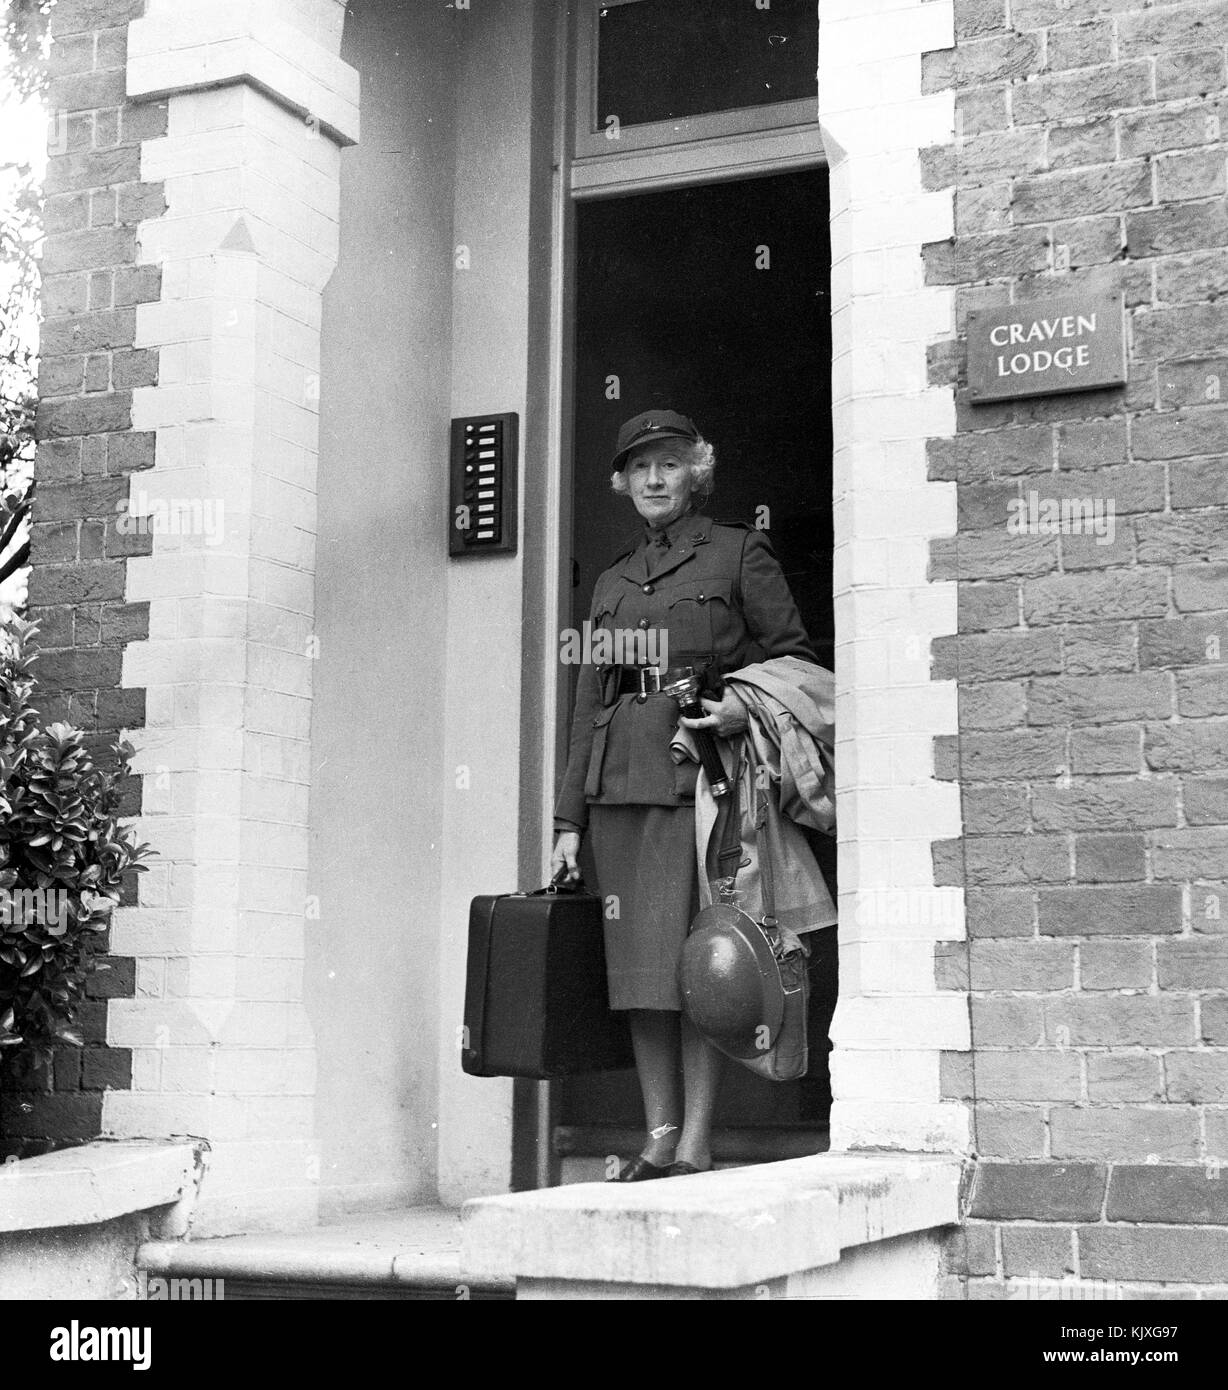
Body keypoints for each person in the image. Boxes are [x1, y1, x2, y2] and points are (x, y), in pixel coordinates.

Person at [550, 408, 818, 1180]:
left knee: (708, 963)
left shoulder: (738, 551)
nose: (655, 479)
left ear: (695, 472)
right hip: (619, 796)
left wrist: (741, 706)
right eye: (640, 468)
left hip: (706, 785)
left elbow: (796, 662)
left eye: (669, 464)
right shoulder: (609, 580)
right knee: (640, 976)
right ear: (623, 482)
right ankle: (657, 1135)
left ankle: (696, 1145)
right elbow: (586, 704)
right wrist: (569, 818)